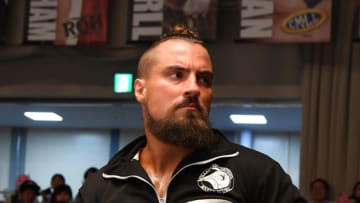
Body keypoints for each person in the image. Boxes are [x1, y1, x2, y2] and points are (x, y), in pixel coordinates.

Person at [76, 24, 306, 203]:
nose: (194, 88)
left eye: (204, 79)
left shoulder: (256, 173)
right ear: (140, 90)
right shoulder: (103, 187)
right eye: (177, 75)